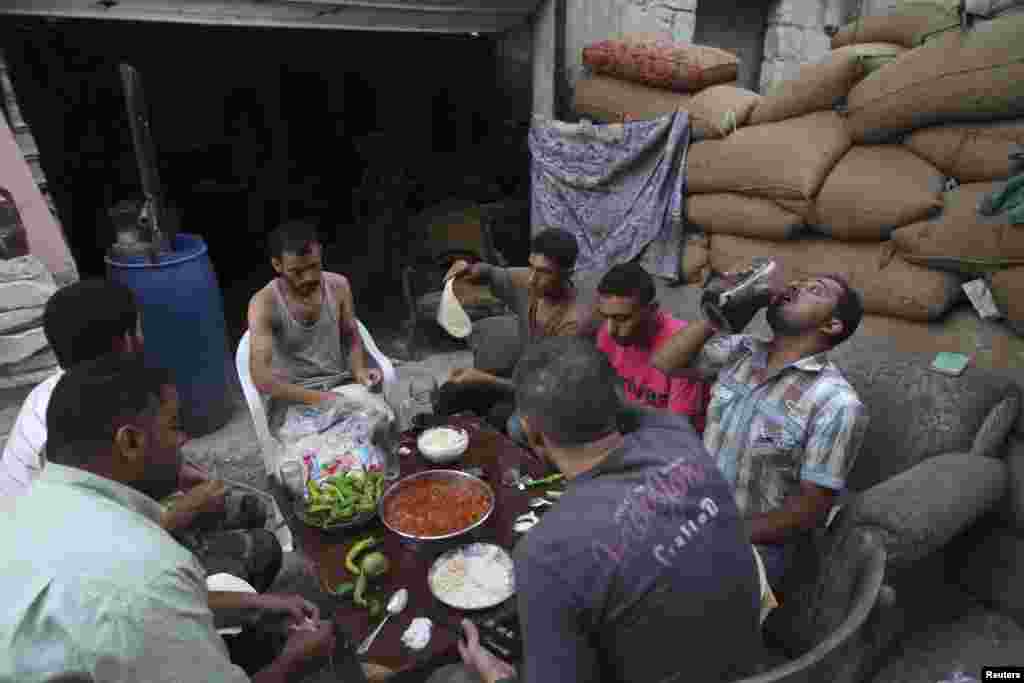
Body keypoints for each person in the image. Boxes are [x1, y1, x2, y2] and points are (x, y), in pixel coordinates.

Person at [437, 337, 764, 683]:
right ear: (618, 397)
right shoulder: (674, 432)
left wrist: (495, 677)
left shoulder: (546, 554)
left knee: (449, 677)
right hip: (743, 661)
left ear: (531, 432)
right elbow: (629, 408)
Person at [0, 353, 336, 682]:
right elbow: (144, 598)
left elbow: (160, 605)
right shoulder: (145, 575)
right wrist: (295, 663)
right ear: (130, 441)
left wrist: (258, 605)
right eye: (174, 426)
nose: (183, 440)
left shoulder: (35, 503)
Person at [0, 279, 282, 592]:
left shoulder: (92, 391)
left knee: (245, 509)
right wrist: (185, 510)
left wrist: (176, 477)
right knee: (260, 550)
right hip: (68, 576)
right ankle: (232, 632)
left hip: (100, 533)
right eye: (139, 327)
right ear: (126, 341)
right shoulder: (57, 428)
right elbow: (97, 552)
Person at [651, 270, 869, 585]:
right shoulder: (740, 350)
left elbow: (809, 511)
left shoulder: (837, 403)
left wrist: (722, 531)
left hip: (758, 545)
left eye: (814, 290)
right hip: (694, 514)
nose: (795, 285)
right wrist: (717, 317)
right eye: (797, 281)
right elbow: (665, 362)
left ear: (831, 325)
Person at [436, 228, 585, 432]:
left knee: (503, 418)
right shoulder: (531, 282)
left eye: (544, 272)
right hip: (520, 378)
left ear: (568, 274)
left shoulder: (572, 323)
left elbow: (547, 391)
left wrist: (482, 378)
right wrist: (468, 268)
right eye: (532, 267)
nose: (532, 278)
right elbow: (489, 272)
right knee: (449, 393)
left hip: (548, 399)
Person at [248, 220, 382, 430]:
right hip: (293, 398)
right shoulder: (264, 303)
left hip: (341, 386)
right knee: (320, 456)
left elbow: (351, 335)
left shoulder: (339, 285)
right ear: (277, 265)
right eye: (297, 272)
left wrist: (359, 369)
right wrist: (324, 399)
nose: (309, 277)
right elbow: (261, 378)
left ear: (320, 254)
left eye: (314, 266)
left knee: (381, 426)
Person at [595, 262, 711, 432]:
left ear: (652, 309)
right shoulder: (608, 332)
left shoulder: (680, 347)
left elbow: (678, 430)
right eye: (606, 316)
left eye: (622, 318)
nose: (611, 328)